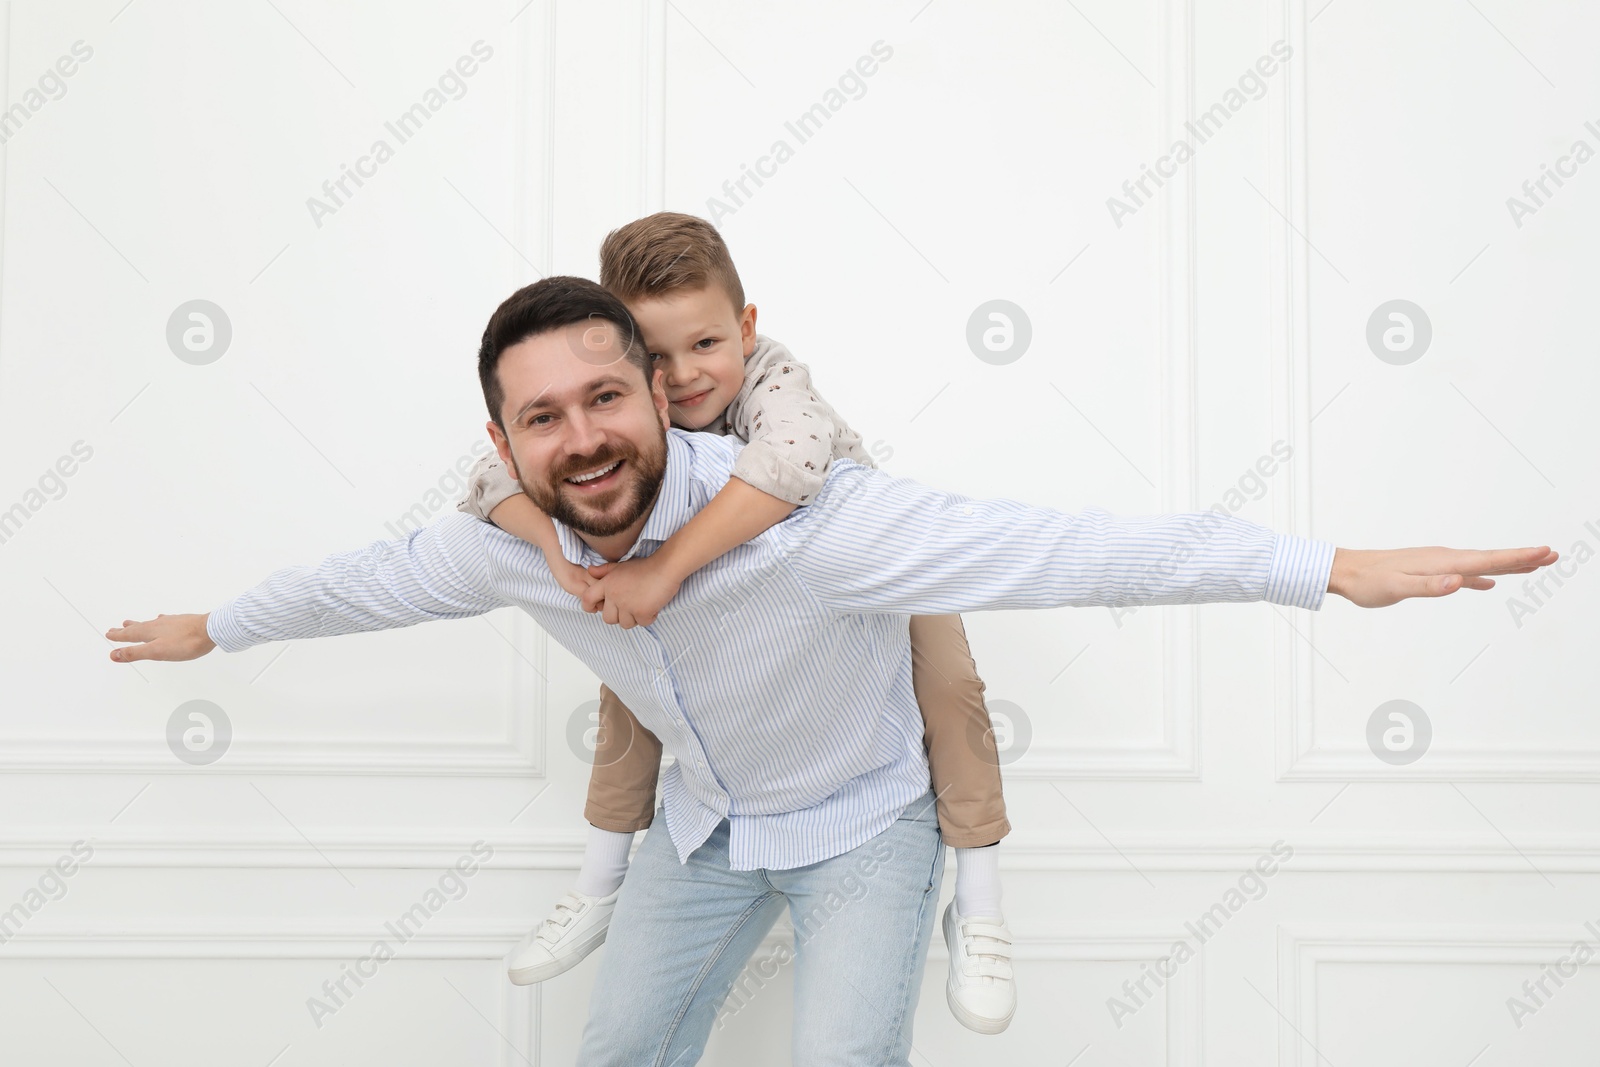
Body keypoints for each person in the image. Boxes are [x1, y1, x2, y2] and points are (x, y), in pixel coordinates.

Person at [105, 275, 1556, 1066]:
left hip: (866, 822)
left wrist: (1324, 565)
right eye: (543, 419)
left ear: (662, 394)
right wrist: (214, 626)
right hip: (705, 829)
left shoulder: (820, 527)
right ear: (503, 448)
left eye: (607, 395)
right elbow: (355, 583)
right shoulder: (500, 542)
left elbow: (1075, 547)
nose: (583, 436)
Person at [455, 212, 1016, 1033]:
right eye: (656, 355)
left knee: (952, 683)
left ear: (745, 330)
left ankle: (981, 903)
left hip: (861, 585)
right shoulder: (621, 406)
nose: (684, 377)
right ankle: (599, 880)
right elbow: (488, 478)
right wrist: (560, 558)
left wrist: (663, 567)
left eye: (707, 345)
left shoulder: (772, 379)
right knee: (629, 679)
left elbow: (788, 462)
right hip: (722, 630)